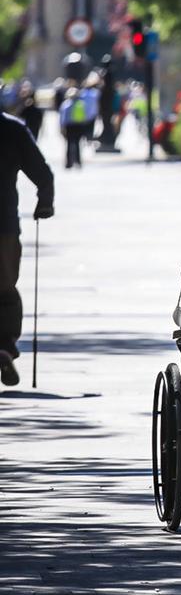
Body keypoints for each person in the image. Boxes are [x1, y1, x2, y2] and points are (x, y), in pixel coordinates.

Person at [1, 108, 54, 386]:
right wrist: (44, 202)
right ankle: (5, 347)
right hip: (4, 224)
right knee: (5, 288)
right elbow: (42, 171)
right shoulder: (12, 128)